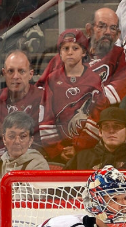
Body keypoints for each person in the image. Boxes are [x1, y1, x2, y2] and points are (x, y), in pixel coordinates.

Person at [37, 8, 126, 107]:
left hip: (98, 113)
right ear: (89, 30)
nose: (108, 32)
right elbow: (42, 88)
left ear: (117, 35)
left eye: (113, 28)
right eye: (102, 26)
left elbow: (123, 86)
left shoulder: (119, 55)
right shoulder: (71, 51)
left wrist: (88, 103)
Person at [39, 29, 106, 167]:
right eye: (65, 48)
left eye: (75, 48)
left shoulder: (94, 79)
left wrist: (79, 146)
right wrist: (57, 149)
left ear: (84, 52)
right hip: (58, 152)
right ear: (60, 53)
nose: (70, 52)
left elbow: (97, 116)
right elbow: (46, 116)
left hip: (86, 151)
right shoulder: (52, 80)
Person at [0, 50, 43, 153]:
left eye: (21, 71)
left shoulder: (43, 98)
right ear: (4, 73)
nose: (15, 76)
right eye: (10, 71)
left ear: (30, 74)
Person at [65, 106, 126, 170]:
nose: (111, 131)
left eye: (117, 126)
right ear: (100, 132)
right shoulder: (81, 158)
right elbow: (62, 181)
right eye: (106, 126)